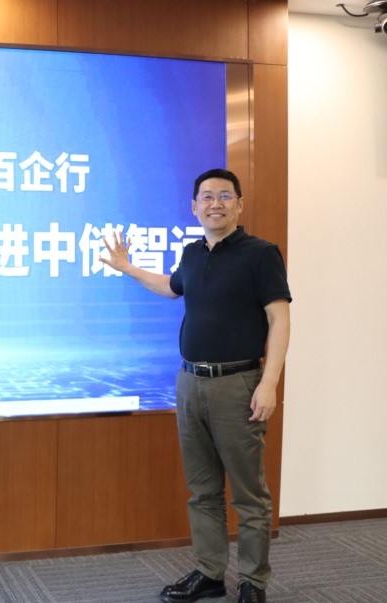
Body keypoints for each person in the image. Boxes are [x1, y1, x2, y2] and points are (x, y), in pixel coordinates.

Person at [100, 169, 291, 603]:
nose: (215, 203)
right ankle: (209, 573)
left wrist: (269, 383)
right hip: (189, 382)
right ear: (194, 206)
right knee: (203, 490)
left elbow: (280, 319)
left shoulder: (261, 254)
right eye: (206, 196)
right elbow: (172, 288)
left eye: (225, 196)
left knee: (249, 494)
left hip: (238, 384)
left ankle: (253, 581)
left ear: (239, 204)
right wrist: (128, 267)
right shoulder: (191, 253)